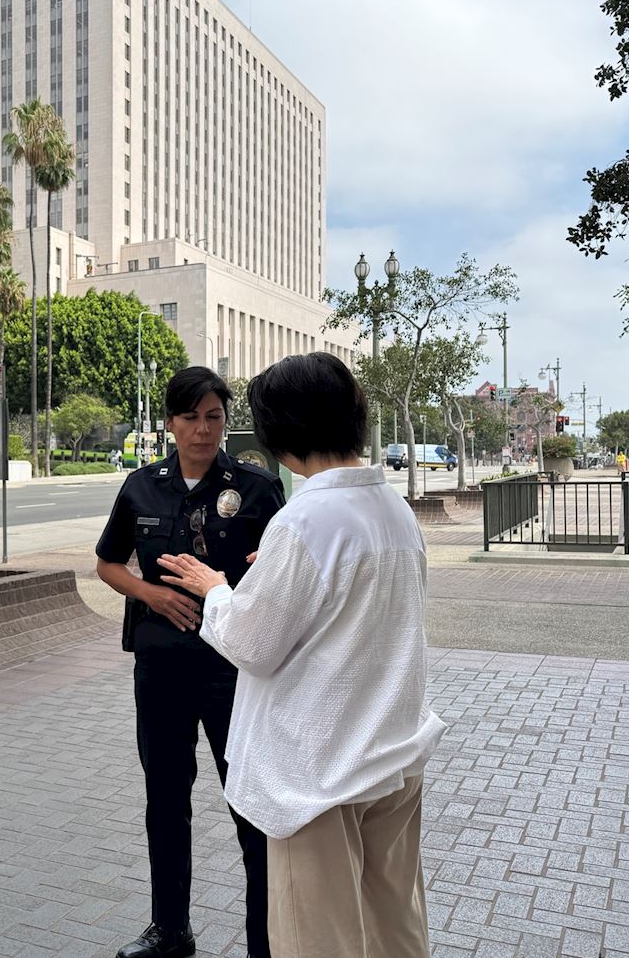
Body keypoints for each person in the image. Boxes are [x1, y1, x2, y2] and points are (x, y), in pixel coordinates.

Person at [156, 353, 446, 958]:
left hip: (322, 771)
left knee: (318, 939)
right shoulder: (393, 509)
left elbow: (251, 645)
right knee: (394, 925)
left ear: (280, 432)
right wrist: (275, 576)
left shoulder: (305, 520)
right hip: (391, 752)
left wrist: (215, 589)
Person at [95, 366, 284, 958]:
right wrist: (149, 594)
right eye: (190, 417)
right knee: (165, 800)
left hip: (233, 672)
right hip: (161, 671)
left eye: (214, 417)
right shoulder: (141, 487)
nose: (203, 429)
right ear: (171, 423)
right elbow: (107, 563)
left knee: (249, 805)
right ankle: (170, 929)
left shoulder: (257, 488)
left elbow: (281, 576)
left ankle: (267, 941)